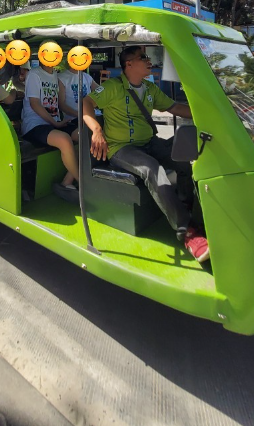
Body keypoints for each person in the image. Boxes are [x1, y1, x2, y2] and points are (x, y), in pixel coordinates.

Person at [82, 45, 209, 263]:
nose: (149, 60)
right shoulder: (112, 87)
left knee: (182, 158)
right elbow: (86, 103)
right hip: (122, 149)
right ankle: (187, 231)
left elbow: (175, 108)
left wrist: (210, 115)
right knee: (152, 169)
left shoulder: (150, 89)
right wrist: (96, 129)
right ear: (129, 64)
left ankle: (184, 206)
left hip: (149, 142)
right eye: (143, 57)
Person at [21, 55, 79, 203]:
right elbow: (35, 104)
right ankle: (85, 183)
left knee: (83, 135)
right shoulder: (35, 74)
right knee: (65, 140)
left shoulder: (55, 75)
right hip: (34, 125)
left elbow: (59, 102)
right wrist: (55, 122)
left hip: (53, 123)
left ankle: (67, 181)